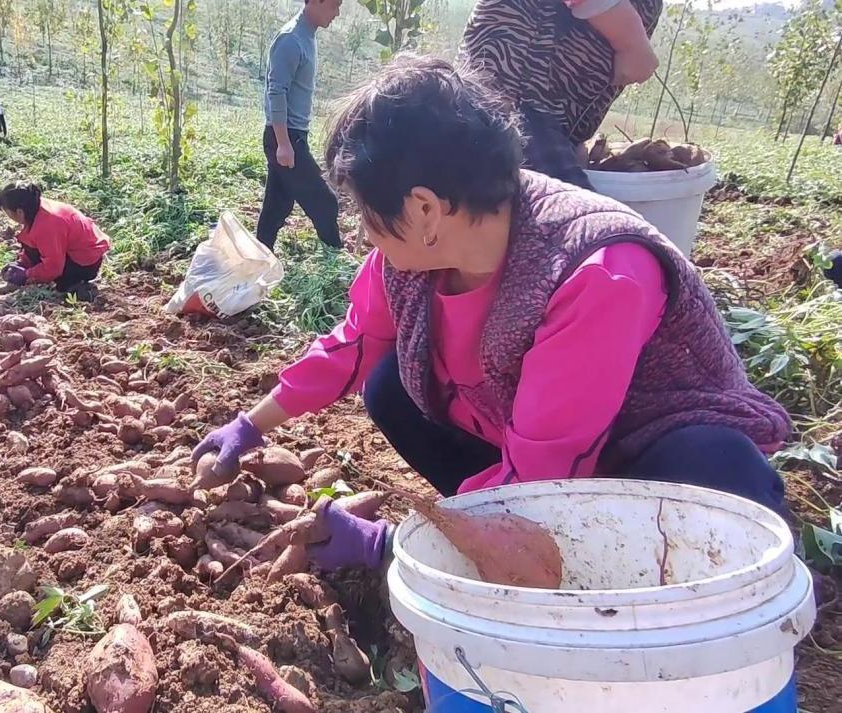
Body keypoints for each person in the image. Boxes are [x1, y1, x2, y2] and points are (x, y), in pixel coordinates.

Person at [194, 55, 792, 572]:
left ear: (424, 208)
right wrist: (250, 425)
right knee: (390, 386)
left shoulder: (595, 271)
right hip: (537, 449)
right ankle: (492, 541)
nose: (363, 234)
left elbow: (544, 478)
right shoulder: (414, 258)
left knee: (707, 481)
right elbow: (351, 344)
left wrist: (396, 544)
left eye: (367, 216)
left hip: (643, 459)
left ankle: (505, 552)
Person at [461, 0, 662, 187]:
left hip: (542, 113)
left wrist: (571, 140)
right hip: (518, 98)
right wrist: (631, 43)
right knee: (577, 218)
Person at [257, 0, 343, 252]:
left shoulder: (306, 37)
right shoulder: (291, 40)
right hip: (284, 137)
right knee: (325, 202)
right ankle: (335, 257)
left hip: (292, 136)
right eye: (334, 6)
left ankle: (259, 259)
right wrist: (283, 144)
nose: (336, 13)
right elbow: (276, 92)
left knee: (277, 206)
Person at [0, 181, 110, 298]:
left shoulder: (47, 224)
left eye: (8, 212)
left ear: (19, 212)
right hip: (72, 249)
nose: (8, 216)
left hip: (85, 262)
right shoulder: (34, 208)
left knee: (62, 284)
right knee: (34, 257)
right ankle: (17, 282)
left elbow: (53, 267)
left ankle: (75, 286)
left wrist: (26, 275)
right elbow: (32, 245)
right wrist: (21, 264)